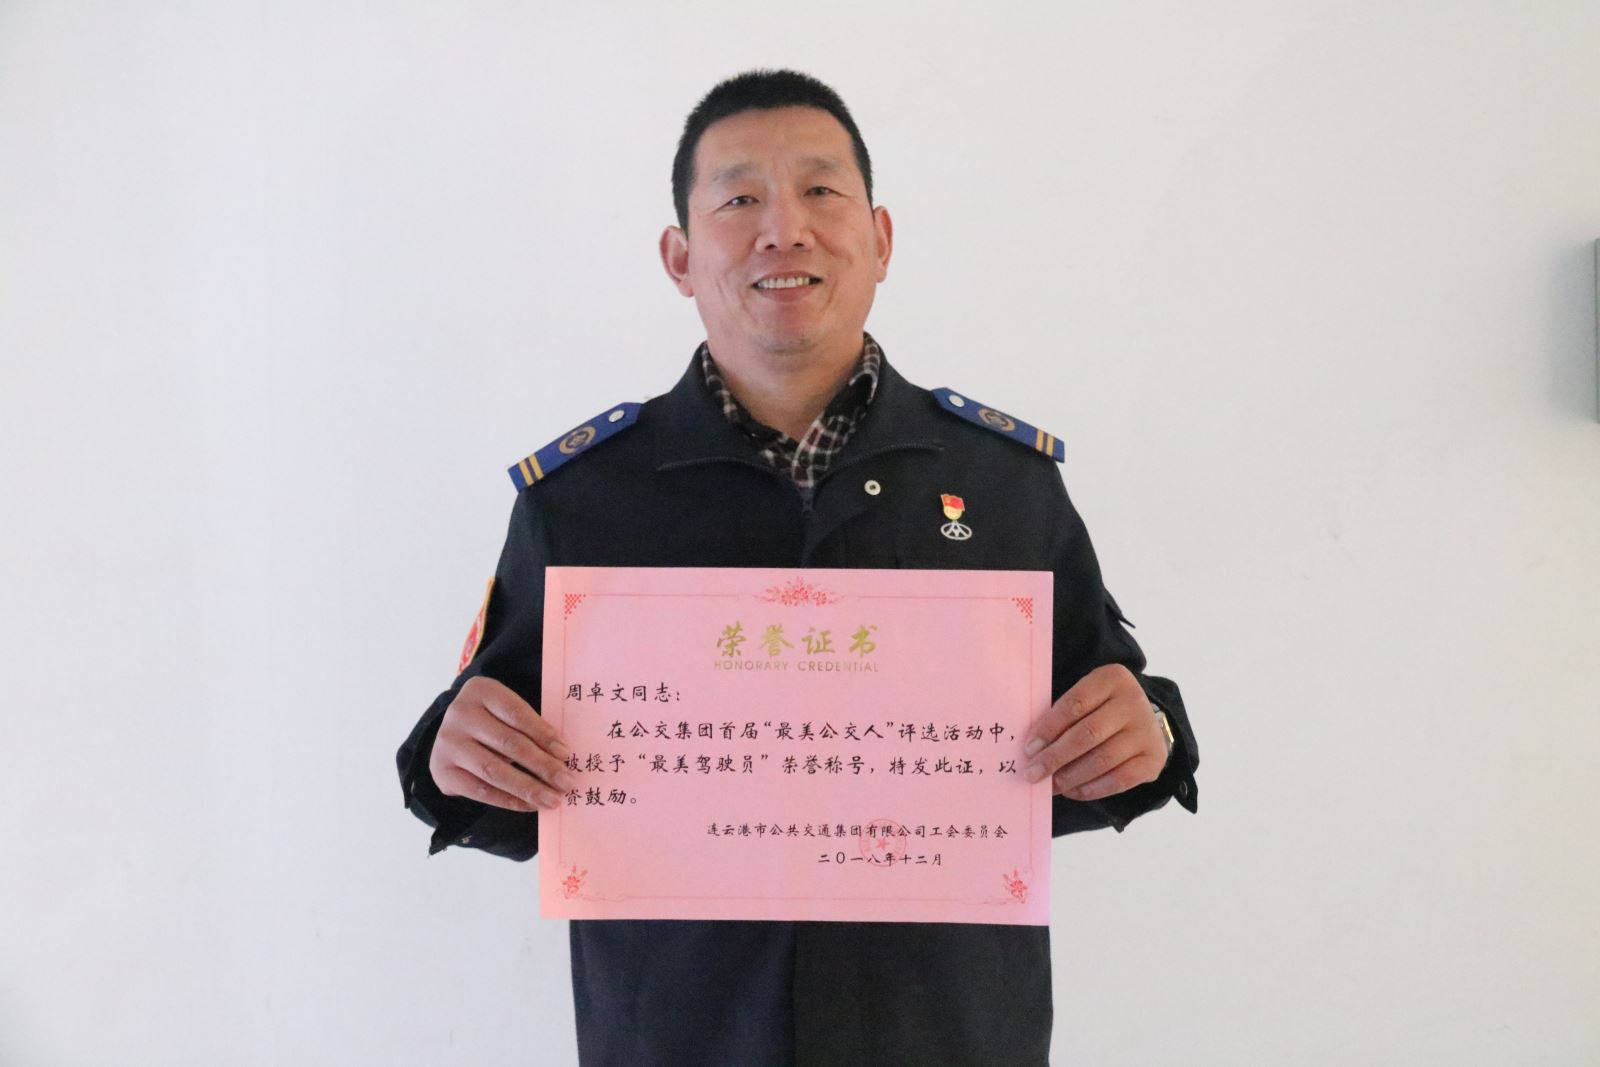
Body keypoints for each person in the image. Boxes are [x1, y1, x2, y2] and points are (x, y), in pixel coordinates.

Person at [397, 69, 1199, 1067]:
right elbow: (508, 776)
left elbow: (1105, 723)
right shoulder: (583, 498)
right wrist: (455, 757)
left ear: (881, 239)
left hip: (946, 1036)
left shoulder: (1001, 482)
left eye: (821, 190)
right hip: (682, 1039)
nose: (784, 229)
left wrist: (1147, 732)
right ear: (680, 257)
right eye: (739, 199)